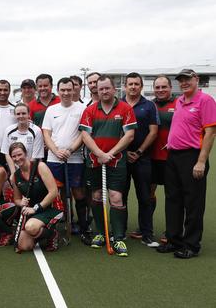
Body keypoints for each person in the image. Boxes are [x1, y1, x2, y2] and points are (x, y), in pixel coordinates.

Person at [157, 69, 216, 259]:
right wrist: (172, 142)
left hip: (192, 157)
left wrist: (201, 161)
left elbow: (210, 133)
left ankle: (191, 245)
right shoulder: (180, 101)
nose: (184, 83)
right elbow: (183, 126)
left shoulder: (205, 100)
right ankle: (174, 241)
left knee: (193, 203)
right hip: (173, 155)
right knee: (172, 200)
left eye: (187, 79)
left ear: (196, 79)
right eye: (181, 80)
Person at [80, 75, 136, 257]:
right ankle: (100, 233)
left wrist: (110, 154)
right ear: (96, 89)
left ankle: (118, 237)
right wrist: (99, 154)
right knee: (96, 195)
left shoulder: (125, 108)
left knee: (116, 197)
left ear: (114, 89)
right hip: (95, 160)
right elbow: (85, 136)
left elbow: (129, 135)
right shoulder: (89, 110)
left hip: (117, 161)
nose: (104, 91)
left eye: (107, 88)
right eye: (100, 88)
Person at [41, 77, 89, 243]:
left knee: (78, 193)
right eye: (63, 90)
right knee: (58, 193)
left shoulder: (82, 109)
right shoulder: (51, 110)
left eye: (70, 89)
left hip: (74, 159)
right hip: (54, 159)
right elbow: (46, 133)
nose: (67, 93)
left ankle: (83, 228)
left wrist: (69, 150)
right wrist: (56, 150)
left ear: (74, 89)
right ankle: (61, 224)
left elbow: (84, 133)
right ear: (58, 90)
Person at [122, 72, 160, 248]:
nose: (133, 87)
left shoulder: (149, 105)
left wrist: (138, 151)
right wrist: (124, 151)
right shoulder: (118, 104)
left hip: (142, 158)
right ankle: (119, 232)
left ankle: (147, 234)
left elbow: (153, 132)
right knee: (119, 197)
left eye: (136, 84)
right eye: (130, 84)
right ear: (125, 86)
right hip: (121, 158)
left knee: (144, 197)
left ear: (141, 86)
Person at [10, 142, 64, 252]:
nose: (17, 158)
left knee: (31, 227)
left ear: (26, 154)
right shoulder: (15, 177)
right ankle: (41, 233)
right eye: (14, 156)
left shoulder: (40, 167)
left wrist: (35, 208)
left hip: (52, 208)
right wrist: (21, 203)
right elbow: (16, 199)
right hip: (33, 212)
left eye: (19, 154)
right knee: (24, 246)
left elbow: (53, 192)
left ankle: (52, 234)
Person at [150, 75, 177, 244]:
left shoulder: (178, 104)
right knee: (148, 194)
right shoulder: (149, 105)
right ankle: (146, 227)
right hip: (151, 158)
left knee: (172, 196)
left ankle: (171, 230)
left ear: (170, 88)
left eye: (163, 87)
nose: (160, 90)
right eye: (157, 87)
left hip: (171, 159)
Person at [0, 103, 44, 175]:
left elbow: (36, 157)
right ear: (15, 115)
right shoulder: (8, 130)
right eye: (18, 114)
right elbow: (7, 153)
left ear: (28, 114)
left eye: (23, 113)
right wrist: (14, 173)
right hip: (15, 170)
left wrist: (26, 172)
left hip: (32, 169)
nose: (21, 116)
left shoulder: (36, 131)